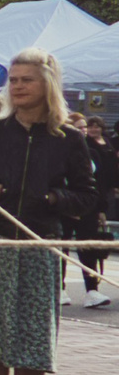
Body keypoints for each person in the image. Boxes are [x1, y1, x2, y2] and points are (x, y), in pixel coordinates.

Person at [0, 49, 98, 375]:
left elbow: (87, 196)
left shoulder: (69, 139)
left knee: (33, 339)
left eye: (26, 79)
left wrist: (51, 198)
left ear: (47, 83)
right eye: (13, 80)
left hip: (40, 244)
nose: (17, 87)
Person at [78, 113, 114, 309]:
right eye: (79, 127)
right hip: (65, 206)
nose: (84, 131)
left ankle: (92, 290)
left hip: (88, 206)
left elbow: (99, 182)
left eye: (84, 127)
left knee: (88, 247)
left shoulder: (94, 152)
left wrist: (101, 208)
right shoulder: (61, 148)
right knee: (63, 246)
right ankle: (61, 288)